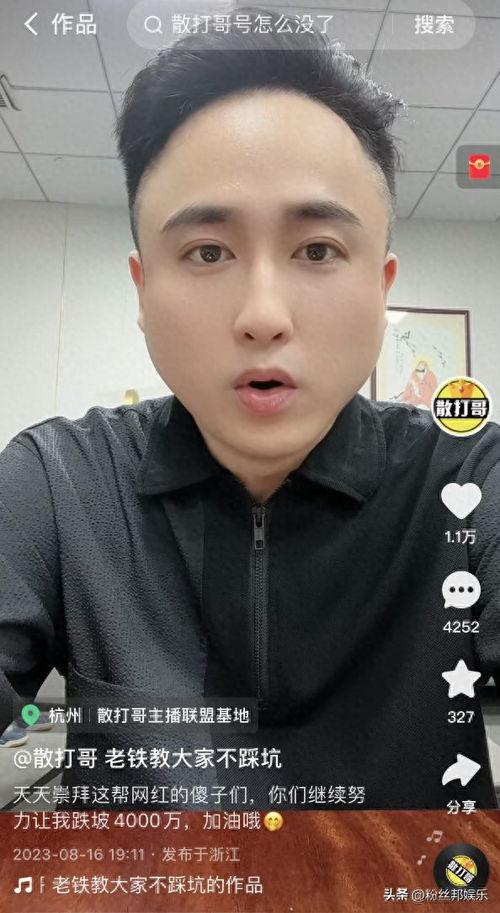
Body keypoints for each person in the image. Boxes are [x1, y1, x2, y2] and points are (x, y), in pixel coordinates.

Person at [0, 6, 499, 812]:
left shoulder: (469, 479)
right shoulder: (60, 484)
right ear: (142, 291)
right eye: (208, 251)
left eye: (317, 250)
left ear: (382, 287)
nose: (263, 315)